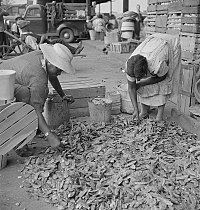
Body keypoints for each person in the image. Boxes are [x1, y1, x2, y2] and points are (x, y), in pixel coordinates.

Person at [0, 43, 75, 151]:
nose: (60, 73)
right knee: (26, 95)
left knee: (38, 92)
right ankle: (19, 139)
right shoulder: (38, 76)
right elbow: (34, 109)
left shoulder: (41, 56)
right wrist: (49, 135)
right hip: (2, 85)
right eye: (59, 69)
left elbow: (52, 76)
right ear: (50, 63)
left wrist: (62, 95)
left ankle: (36, 125)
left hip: (4, 75)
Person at [125, 33, 181, 121]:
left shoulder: (157, 64)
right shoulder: (130, 66)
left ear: (146, 70)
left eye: (141, 77)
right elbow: (131, 87)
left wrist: (143, 82)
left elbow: (163, 77)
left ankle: (159, 115)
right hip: (153, 41)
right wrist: (135, 109)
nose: (138, 79)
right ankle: (143, 111)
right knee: (140, 85)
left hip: (170, 43)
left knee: (164, 83)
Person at [17, 19, 84, 53]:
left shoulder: (28, 34)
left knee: (58, 40)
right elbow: (36, 49)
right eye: (28, 26)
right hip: (45, 46)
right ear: (25, 27)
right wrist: (42, 39)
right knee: (60, 41)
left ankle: (75, 49)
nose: (29, 27)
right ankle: (75, 50)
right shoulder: (28, 37)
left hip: (46, 43)